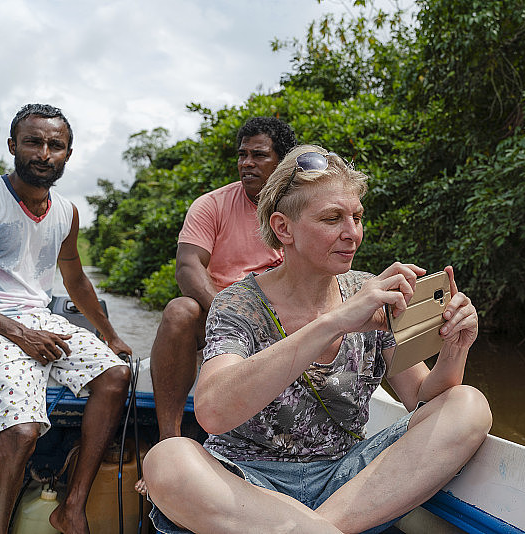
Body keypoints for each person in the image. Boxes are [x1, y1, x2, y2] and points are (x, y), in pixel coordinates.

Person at [142, 145, 492, 533]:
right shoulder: (239, 303)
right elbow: (212, 412)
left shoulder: (369, 291)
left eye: (357, 217)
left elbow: (422, 398)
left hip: (347, 483)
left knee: (468, 404)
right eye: (332, 218)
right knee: (167, 459)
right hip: (246, 487)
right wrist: (335, 321)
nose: (352, 233)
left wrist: (456, 349)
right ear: (283, 228)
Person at [0, 104, 132, 534]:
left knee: (116, 375)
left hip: (38, 319)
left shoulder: (66, 211)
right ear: (13, 145)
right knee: (25, 431)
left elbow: (76, 279)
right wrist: (20, 334)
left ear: (67, 153)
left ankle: (71, 507)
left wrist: (110, 334)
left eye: (55, 145)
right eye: (34, 142)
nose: (44, 153)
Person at [149, 116, 296, 442]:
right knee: (179, 311)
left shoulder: (300, 208)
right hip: (218, 313)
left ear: (282, 162)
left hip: (284, 318)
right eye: (242, 155)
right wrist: (230, 313)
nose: (246, 163)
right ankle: (168, 441)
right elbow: (188, 266)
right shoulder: (211, 205)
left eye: (259, 155)